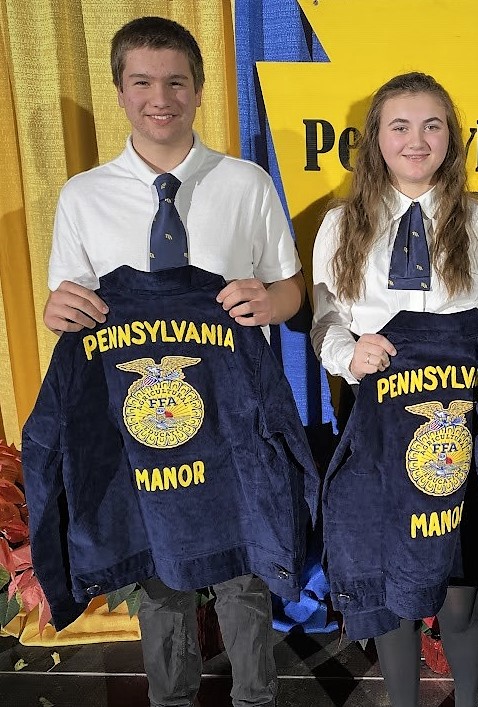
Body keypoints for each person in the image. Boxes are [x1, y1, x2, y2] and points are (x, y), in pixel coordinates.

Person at [43, 16, 305, 707]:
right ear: (120, 91)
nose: (161, 97)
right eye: (143, 82)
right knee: (159, 567)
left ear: (198, 88)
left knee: (243, 569)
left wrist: (271, 303)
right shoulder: (82, 196)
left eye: (175, 82)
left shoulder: (246, 183)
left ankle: (256, 698)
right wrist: (57, 312)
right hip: (141, 422)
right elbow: (70, 304)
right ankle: (171, 698)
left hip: (234, 415)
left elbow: (291, 288)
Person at [310, 72, 478, 707]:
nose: (416, 139)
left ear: (451, 138)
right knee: (390, 574)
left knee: (460, 581)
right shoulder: (341, 224)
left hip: (459, 421)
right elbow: (322, 315)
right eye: (399, 125)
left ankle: (471, 696)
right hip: (375, 418)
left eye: (432, 125)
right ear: (375, 138)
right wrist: (349, 353)